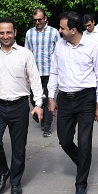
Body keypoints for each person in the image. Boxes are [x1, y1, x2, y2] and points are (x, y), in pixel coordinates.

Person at [0, 17, 44, 194]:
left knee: (19, 147)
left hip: (19, 106)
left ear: (15, 33)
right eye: (2, 33)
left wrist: (38, 104)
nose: (5, 36)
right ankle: (2, 173)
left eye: (9, 32)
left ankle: (16, 181)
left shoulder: (25, 54)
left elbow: (35, 80)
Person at [47, 11, 98, 194]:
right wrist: (51, 97)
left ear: (73, 30)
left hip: (86, 98)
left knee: (84, 142)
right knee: (64, 140)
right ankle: (83, 163)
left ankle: (81, 184)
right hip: (65, 99)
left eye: (62, 28)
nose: (59, 31)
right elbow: (54, 72)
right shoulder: (60, 45)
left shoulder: (93, 46)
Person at [24, 8, 60, 138]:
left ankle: (47, 126)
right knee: (34, 99)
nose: (37, 22)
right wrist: (26, 72)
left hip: (50, 72)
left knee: (48, 98)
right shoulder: (29, 33)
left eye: (40, 19)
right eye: (35, 20)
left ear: (45, 18)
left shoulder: (54, 32)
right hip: (35, 73)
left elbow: (59, 52)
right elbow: (27, 53)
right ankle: (40, 115)